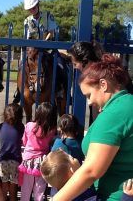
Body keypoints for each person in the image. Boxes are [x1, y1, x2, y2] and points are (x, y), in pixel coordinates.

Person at [51, 54, 133, 200]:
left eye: (89, 95)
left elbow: (91, 171)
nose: (89, 102)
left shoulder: (114, 114)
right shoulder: (126, 103)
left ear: (103, 85)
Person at [68, 41, 133, 123]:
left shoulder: (104, 74)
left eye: (75, 64)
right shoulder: (105, 69)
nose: (75, 67)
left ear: (85, 61)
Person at [13, 0, 58, 103]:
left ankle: (59, 89)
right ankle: (19, 90)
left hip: (47, 47)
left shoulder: (48, 16)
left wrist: (45, 42)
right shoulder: (27, 20)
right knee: (22, 64)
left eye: (33, 8)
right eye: (30, 9)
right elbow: (27, 37)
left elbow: (52, 32)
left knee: (58, 63)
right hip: (32, 50)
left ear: (38, 5)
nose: (32, 10)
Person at [18, 102, 57, 201]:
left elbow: (24, 141)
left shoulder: (29, 125)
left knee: (25, 190)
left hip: (28, 162)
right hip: (42, 162)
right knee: (39, 191)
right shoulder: (52, 130)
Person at [0, 103, 24, 201]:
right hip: (15, 160)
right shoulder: (21, 127)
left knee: (4, 185)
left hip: (2, 159)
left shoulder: (1, 126)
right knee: (14, 185)